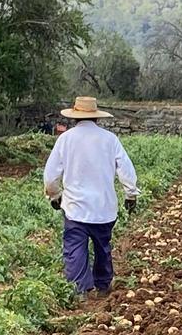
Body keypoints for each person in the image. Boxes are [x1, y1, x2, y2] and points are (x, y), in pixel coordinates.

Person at [44, 97, 139, 296]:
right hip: (104, 207)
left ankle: (80, 290)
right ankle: (103, 285)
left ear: (75, 117)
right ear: (97, 118)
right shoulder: (109, 139)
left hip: (75, 207)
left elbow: (51, 175)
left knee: (75, 249)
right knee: (103, 246)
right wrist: (130, 193)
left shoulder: (66, 139)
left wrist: (55, 195)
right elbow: (125, 168)